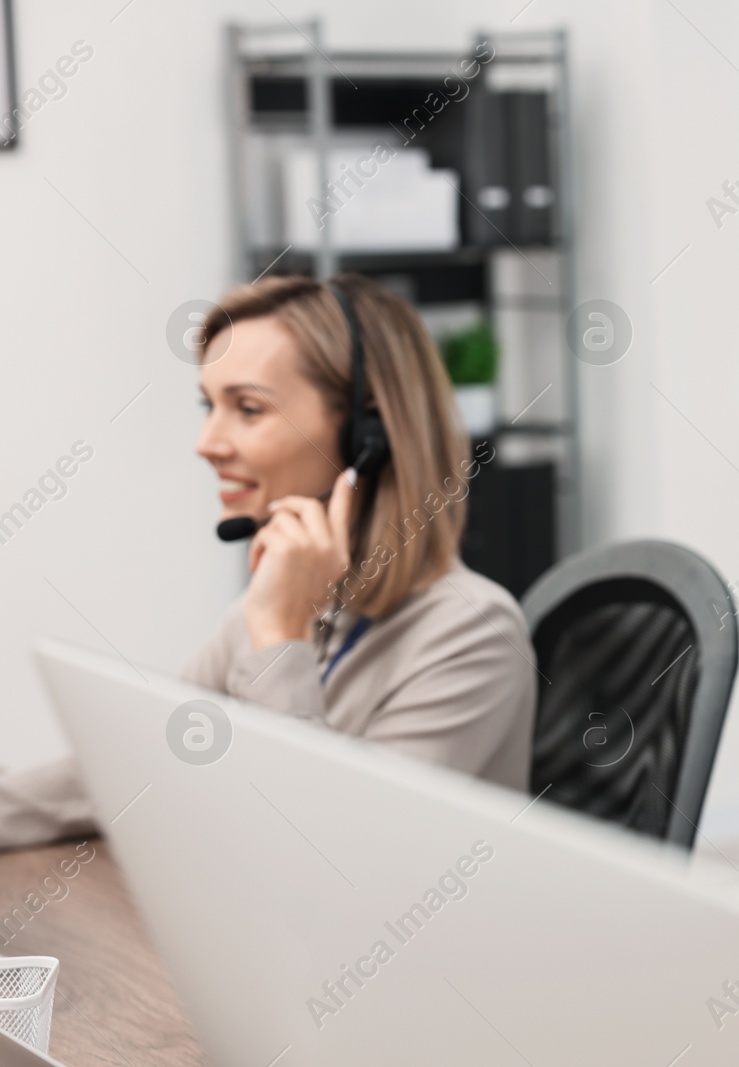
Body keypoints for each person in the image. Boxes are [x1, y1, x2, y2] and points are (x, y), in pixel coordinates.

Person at [0, 273, 536, 847]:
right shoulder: (283, 604)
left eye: (248, 408)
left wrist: (281, 635)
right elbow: (139, 768)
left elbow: (336, 857)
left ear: (366, 434)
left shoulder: (472, 635)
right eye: (211, 405)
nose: (207, 442)